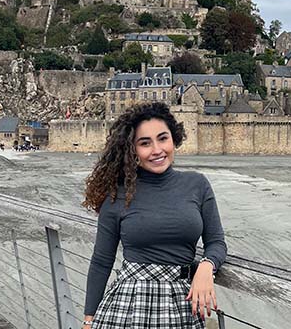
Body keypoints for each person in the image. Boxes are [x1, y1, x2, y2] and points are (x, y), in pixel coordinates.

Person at [82, 102, 227, 328]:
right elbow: (102, 261)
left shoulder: (197, 185)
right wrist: (89, 319)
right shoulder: (117, 195)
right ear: (132, 149)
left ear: (174, 138)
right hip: (128, 305)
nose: (157, 150)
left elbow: (217, 242)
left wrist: (207, 267)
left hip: (181, 302)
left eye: (163, 138)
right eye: (145, 143)